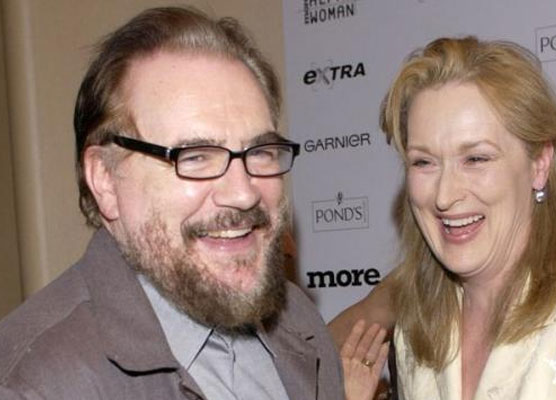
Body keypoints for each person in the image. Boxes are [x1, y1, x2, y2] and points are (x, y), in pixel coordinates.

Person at [0, 7, 343, 400]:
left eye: (260, 151)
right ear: (106, 179)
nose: (243, 193)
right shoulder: (30, 386)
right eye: (195, 156)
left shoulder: (298, 320)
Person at [333, 36, 556, 400]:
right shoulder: (420, 331)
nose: (444, 195)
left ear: (539, 164)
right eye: (423, 162)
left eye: (476, 159)